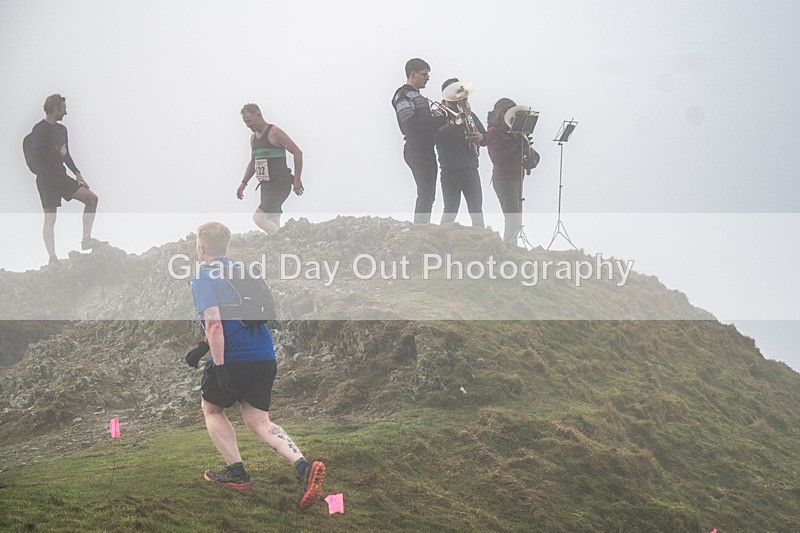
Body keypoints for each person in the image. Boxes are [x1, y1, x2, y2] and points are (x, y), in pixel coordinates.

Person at [188, 221, 325, 510]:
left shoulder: (204, 276)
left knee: (212, 409)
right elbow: (238, 316)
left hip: (232, 358)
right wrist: (202, 347)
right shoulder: (244, 271)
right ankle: (303, 466)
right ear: (227, 246)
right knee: (259, 420)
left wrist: (219, 365)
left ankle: (236, 473)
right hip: (264, 355)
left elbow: (215, 323)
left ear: (200, 247)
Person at [30, 94, 106, 265]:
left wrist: (77, 172)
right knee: (50, 219)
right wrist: (57, 153)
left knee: (92, 198)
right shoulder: (39, 129)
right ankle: (52, 259)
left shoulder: (62, 130)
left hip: (61, 177)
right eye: (63, 109)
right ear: (55, 108)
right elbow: (39, 156)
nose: (66, 112)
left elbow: (66, 154)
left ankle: (86, 239)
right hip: (46, 180)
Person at [236, 104, 304, 234]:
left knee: (259, 218)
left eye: (249, 121)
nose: (248, 125)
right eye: (245, 122)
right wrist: (243, 183)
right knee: (272, 221)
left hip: (280, 183)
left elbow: (297, 152)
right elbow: (254, 161)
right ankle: (282, 243)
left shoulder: (274, 132)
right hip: (265, 185)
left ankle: (282, 238)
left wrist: (297, 179)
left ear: (258, 115)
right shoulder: (253, 138)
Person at [434, 78, 487, 228]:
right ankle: (441, 239)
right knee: (450, 210)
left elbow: (486, 138)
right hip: (450, 169)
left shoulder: (470, 115)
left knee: (476, 211)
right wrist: (454, 124)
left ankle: (483, 240)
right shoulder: (439, 115)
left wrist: (480, 137)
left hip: (470, 168)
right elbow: (436, 137)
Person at [392, 58, 438, 224]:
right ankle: (420, 228)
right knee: (425, 193)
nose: (427, 78)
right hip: (417, 148)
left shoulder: (418, 96)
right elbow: (409, 125)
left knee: (429, 194)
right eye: (424, 75)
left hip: (425, 147)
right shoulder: (403, 95)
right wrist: (435, 119)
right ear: (413, 74)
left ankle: (422, 226)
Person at [486, 98, 525, 242]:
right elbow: (496, 158)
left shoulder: (513, 132)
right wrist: (515, 147)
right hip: (505, 178)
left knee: (516, 218)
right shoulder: (493, 131)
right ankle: (509, 247)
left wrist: (531, 156)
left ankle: (512, 247)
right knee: (513, 218)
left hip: (516, 177)